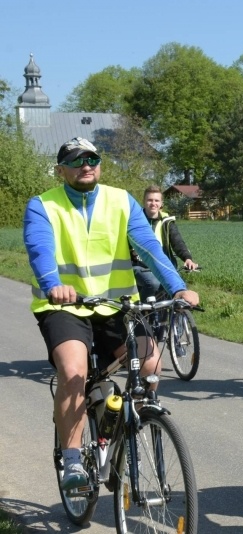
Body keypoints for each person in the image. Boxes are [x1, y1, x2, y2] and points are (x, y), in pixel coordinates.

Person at [23, 137, 200, 491]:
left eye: (92, 158)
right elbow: (39, 248)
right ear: (61, 170)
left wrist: (178, 287)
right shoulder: (44, 205)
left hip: (117, 305)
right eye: (76, 160)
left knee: (150, 365)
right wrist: (52, 283)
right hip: (65, 306)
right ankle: (73, 460)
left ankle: (120, 429)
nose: (86, 164)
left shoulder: (121, 201)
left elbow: (148, 247)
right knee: (74, 371)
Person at [130, 185, 199, 302]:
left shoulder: (166, 221)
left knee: (179, 287)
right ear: (144, 201)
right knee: (153, 283)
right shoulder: (135, 220)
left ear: (161, 203)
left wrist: (187, 258)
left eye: (156, 200)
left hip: (164, 265)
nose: (153, 203)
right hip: (140, 266)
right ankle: (143, 313)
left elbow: (177, 241)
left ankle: (166, 318)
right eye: (150, 200)